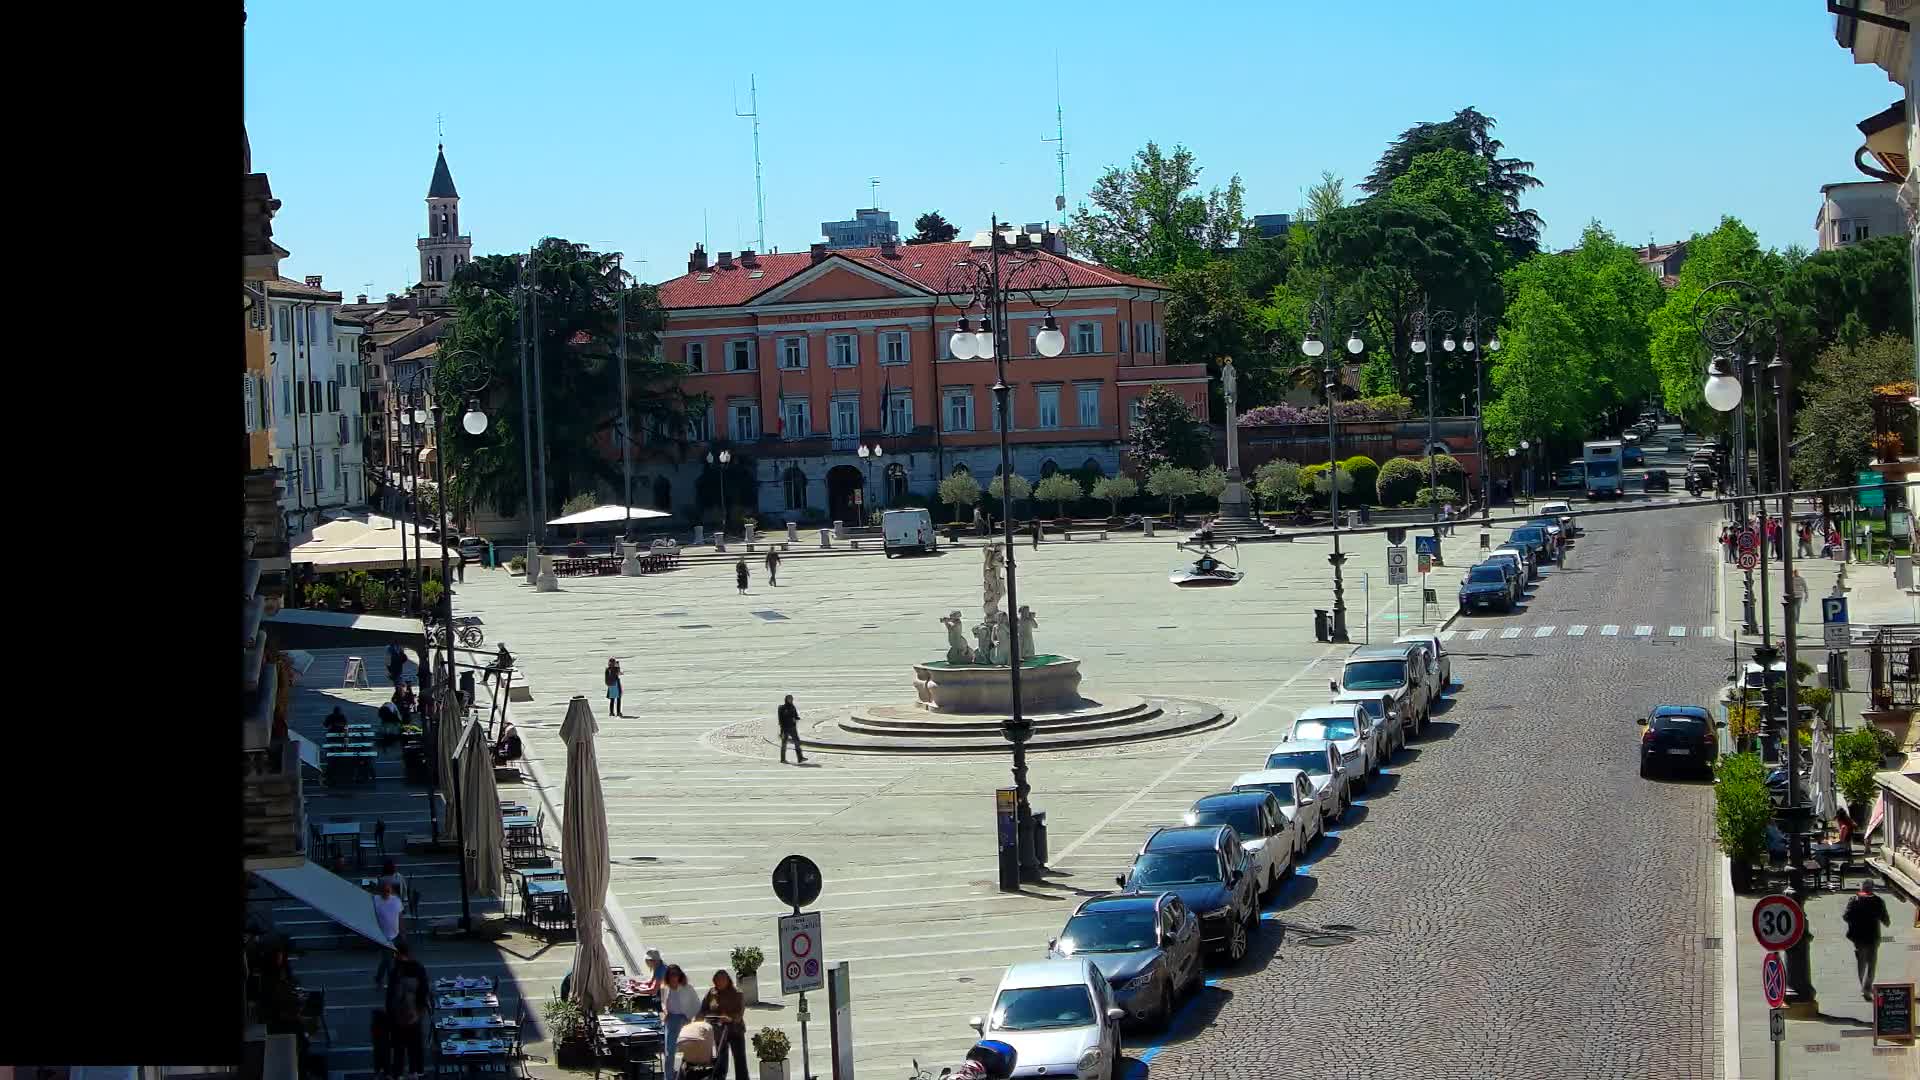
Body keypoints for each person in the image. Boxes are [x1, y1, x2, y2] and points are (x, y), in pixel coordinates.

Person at [384, 938, 430, 1080]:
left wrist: (390, 1013)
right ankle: (415, 1071)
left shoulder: (396, 971)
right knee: (414, 1045)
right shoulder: (418, 968)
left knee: (398, 1046)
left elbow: (390, 995)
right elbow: (424, 990)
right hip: (414, 1013)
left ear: (397, 954)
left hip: (398, 1015)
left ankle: (398, 1073)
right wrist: (420, 1009)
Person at [1843, 881, 1891, 999]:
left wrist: (1856, 919)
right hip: (1873, 936)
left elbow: (1846, 916)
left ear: (1862, 888)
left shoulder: (1854, 900)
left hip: (1858, 937)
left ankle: (1863, 987)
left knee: (1862, 962)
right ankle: (1867, 988)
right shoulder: (1878, 901)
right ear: (1872, 888)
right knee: (1871, 964)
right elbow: (1886, 920)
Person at [700, 970, 750, 1080]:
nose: (720, 982)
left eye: (722, 980)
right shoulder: (712, 993)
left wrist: (730, 1018)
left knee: (740, 1060)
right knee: (720, 1060)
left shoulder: (737, 993)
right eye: (717, 980)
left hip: (735, 1030)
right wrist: (705, 1018)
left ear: (728, 980)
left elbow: (739, 1013)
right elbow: (703, 1009)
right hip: (719, 1032)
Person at [661, 965, 699, 1080]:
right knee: (669, 1052)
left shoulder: (687, 988)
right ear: (668, 976)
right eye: (671, 974)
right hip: (671, 1019)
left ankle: (686, 1075)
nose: (674, 977)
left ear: (680, 975)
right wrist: (665, 1011)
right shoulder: (665, 987)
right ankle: (669, 1077)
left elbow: (696, 1004)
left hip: (685, 1019)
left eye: (676, 974)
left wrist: (692, 1018)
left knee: (687, 1050)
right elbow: (663, 1003)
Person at [372, 881, 405, 986]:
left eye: (388, 890)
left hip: (394, 934)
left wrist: (402, 932)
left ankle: (379, 977)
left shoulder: (396, 901)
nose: (386, 893)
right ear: (380, 891)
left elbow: (400, 917)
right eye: (384, 891)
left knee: (387, 959)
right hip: (382, 935)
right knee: (389, 959)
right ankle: (392, 981)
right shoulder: (375, 900)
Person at [777, 694, 807, 764]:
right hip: (785, 728)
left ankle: (800, 758)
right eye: (789, 699)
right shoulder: (782, 708)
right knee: (784, 743)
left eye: (791, 699)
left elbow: (795, 715)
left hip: (792, 727)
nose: (790, 700)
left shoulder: (793, 707)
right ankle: (783, 759)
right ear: (786, 699)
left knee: (797, 742)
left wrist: (797, 718)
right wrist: (782, 730)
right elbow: (780, 719)